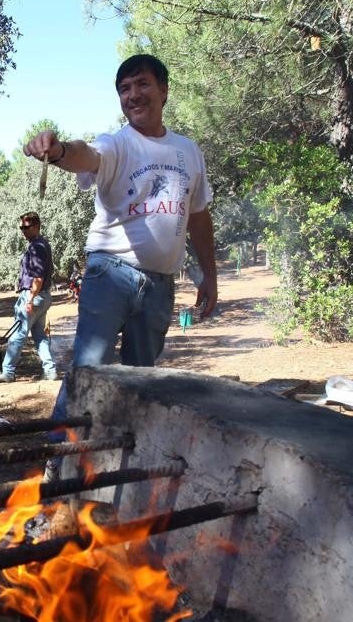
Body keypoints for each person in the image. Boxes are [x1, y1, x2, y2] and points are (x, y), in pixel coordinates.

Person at [24, 54, 218, 454]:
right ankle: (58, 459)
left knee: (142, 381)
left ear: (164, 90)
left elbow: (198, 218)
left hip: (160, 286)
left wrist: (209, 277)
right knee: (89, 370)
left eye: (142, 84)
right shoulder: (118, 144)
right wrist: (58, 150)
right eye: (124, 89)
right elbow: (86, 154)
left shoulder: (188, 152)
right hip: (109, 275)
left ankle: (123, 464)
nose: (133, 95)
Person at [0, 212, 58, 383]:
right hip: (43, 297)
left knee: (18, 334)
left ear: (36, 226)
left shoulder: (36, 247)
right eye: (21, 227)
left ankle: (8, 372)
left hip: (33, 296)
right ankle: (50, 371)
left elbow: (38, 277)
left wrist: (30, 299)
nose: (23, 230)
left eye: (26, 227)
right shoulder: (42, 244)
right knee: (39, 336)